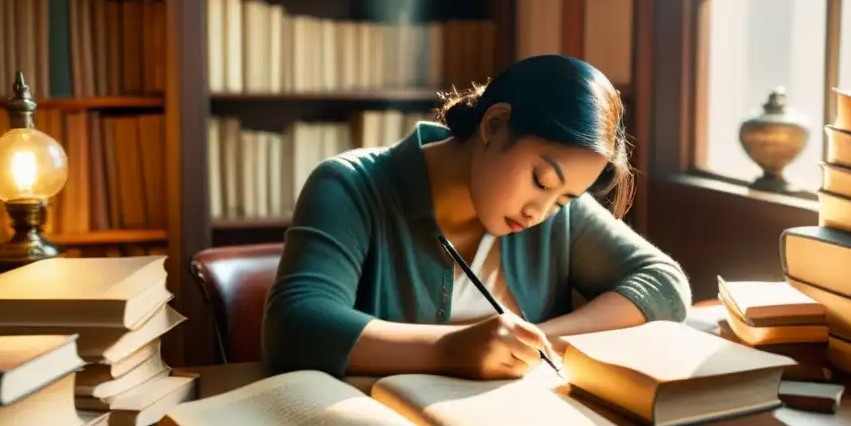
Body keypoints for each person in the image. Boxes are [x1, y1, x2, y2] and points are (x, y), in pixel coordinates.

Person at [262, 54, 692, 380]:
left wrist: (537, 341)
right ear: (494, 125)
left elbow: (663, 284)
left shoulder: (552, 209)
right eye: (541, 181)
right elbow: (296, 326)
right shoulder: (352, 186)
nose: (539, 212)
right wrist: (449, 350)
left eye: (564, 200)